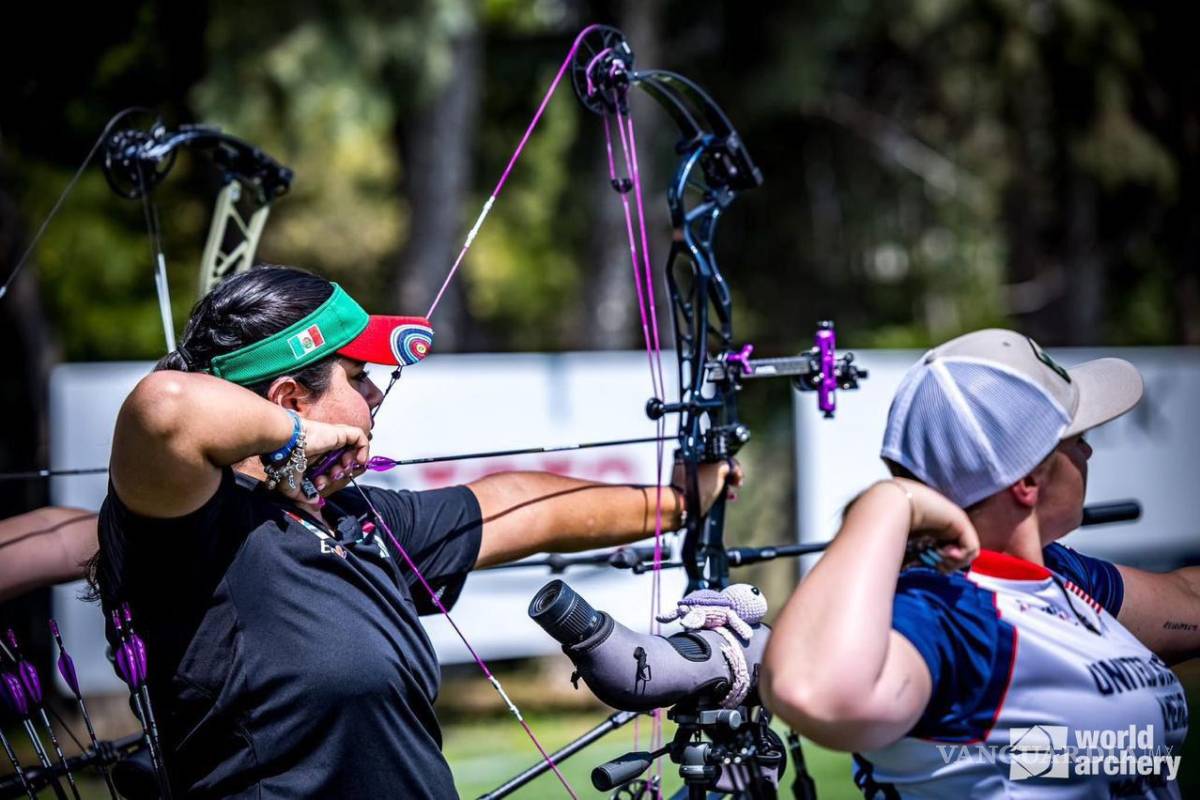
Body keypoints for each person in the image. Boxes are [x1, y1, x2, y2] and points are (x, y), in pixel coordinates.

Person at [78, 265, 737, 799]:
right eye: (359, 378)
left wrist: (677, 501)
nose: (376, 398)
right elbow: (163, 407)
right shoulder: (196, 532)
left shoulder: (355, 519)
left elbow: (515, 507)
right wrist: (305, 440)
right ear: (287, 400)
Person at [762, 329, 1192, 798]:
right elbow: (812, 691)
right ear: (1027, 481)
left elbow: (1187, 601)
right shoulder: (947, 610)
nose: (1087, 451)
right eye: (1076, 437)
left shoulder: (1060, 577)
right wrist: (889, 501)